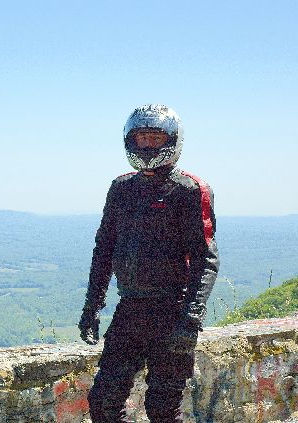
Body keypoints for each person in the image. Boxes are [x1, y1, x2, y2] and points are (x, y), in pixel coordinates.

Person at [78, 104, 219, 422]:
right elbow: (104, 251)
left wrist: (191, 319)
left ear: (173, 141)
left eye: (155, 138)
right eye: (142, 138)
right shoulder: (121, 188)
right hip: (129, 309)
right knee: (102, 403)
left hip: (173, 311)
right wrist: (92, 307)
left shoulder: (190, 190)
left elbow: (205, 259)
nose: (147, 145)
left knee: (162, 409)